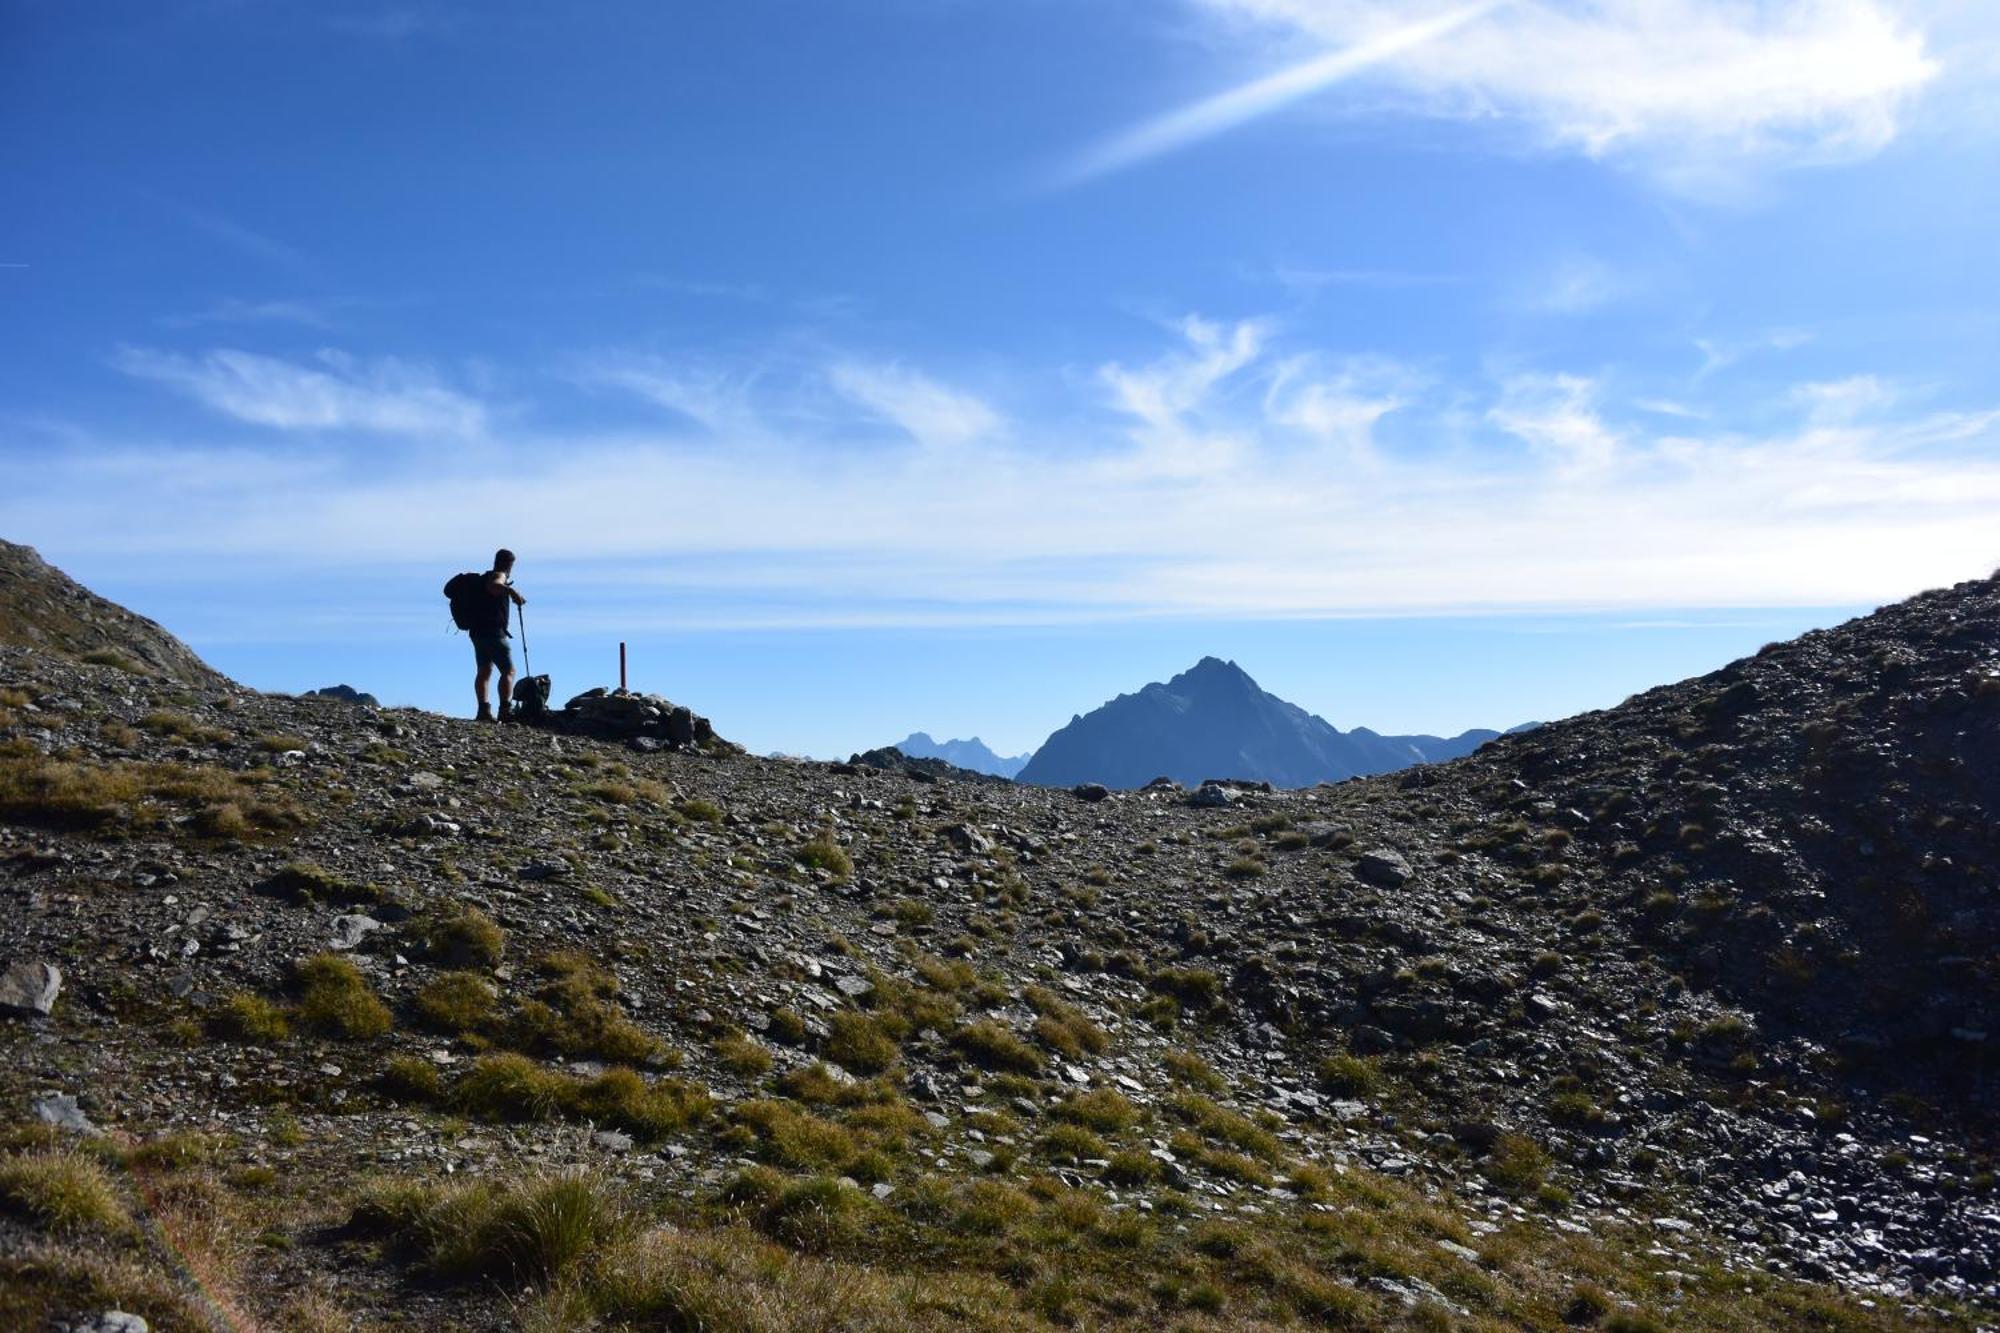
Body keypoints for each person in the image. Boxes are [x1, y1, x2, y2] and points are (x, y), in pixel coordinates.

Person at [472, 548, 527, 722]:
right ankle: (505, 710)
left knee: (484, 671)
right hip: (494, 633)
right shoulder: (499, 575)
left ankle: (483, 711)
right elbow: (494, 586)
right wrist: (512, 592)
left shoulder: (484, 577)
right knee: (508, 671)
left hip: (478, 632)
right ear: (508, 564)